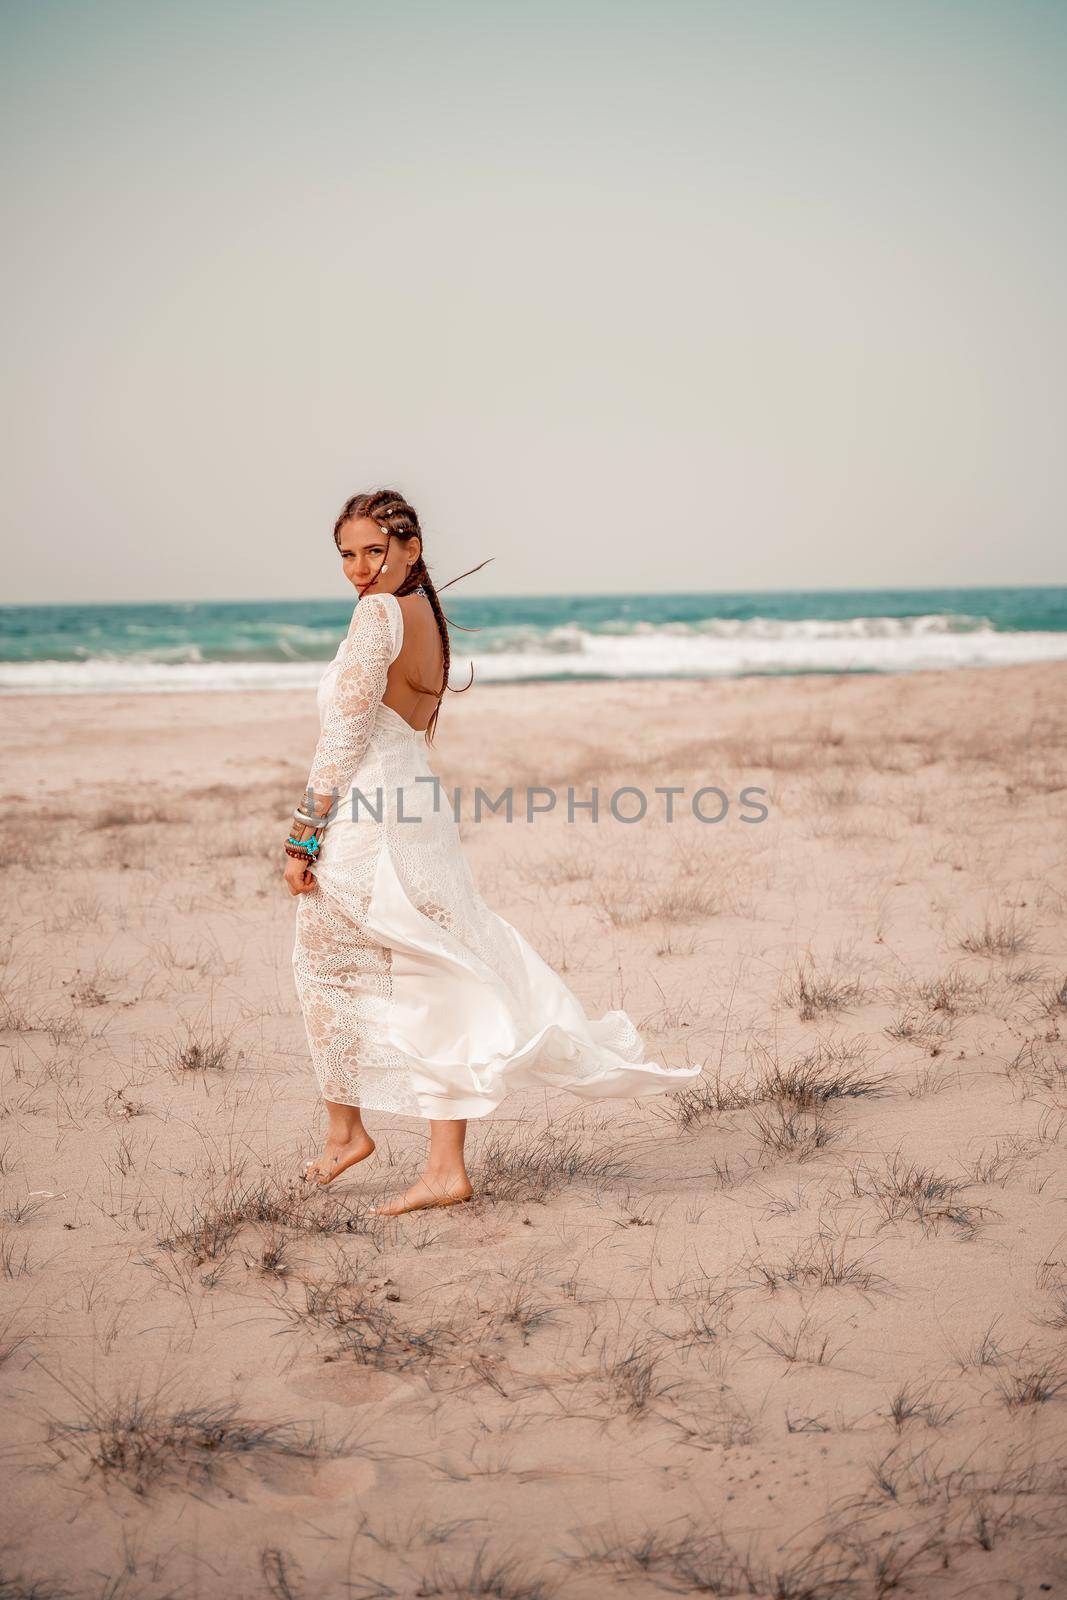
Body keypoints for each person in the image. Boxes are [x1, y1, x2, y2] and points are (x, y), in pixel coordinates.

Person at [285, 489, 702, 1214]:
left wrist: (303, 832)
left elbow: (344, 736)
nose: (358, 568)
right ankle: (397, 1150)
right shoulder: (426, 617)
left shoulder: (378, 613)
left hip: (372, 824)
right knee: (433, 969)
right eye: (346, 555)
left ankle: (353, 1136)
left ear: (410, 550)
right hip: (416, 814)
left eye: (373, 551)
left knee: (349, 969)